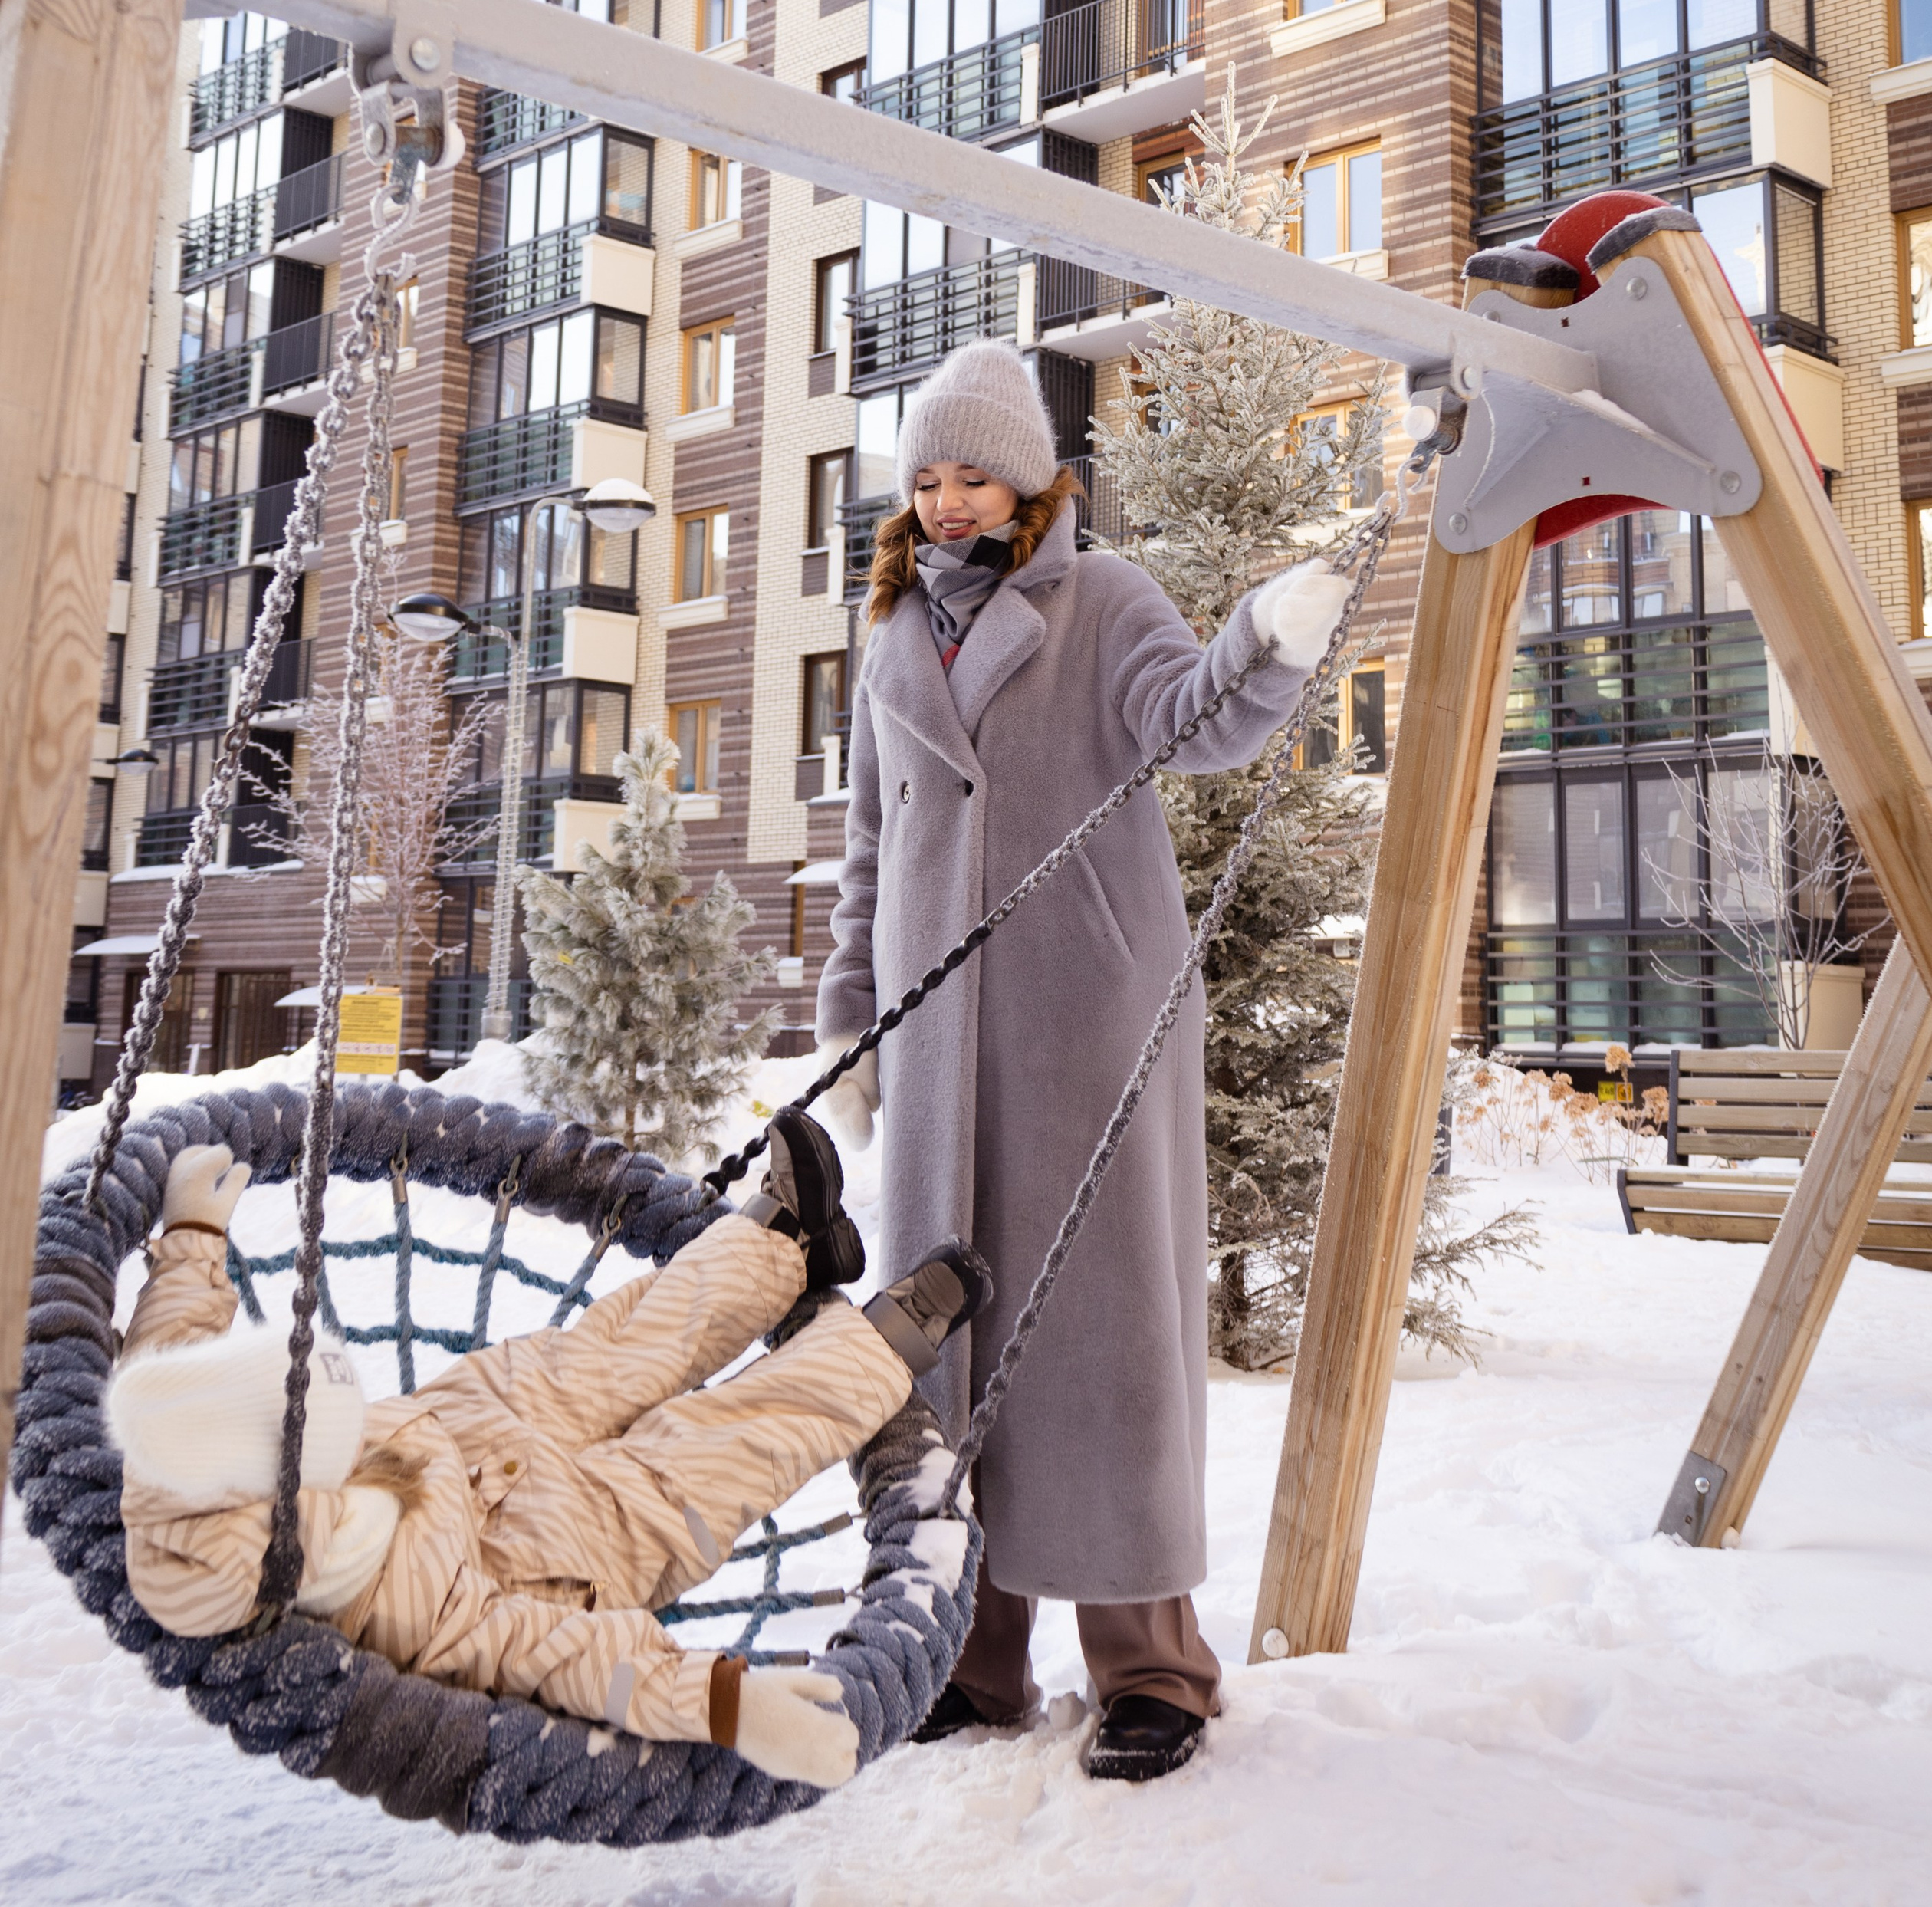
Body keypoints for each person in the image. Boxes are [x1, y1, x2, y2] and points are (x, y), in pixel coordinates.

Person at [814, 340, 1351, 1782]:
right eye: (926, 478)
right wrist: (849, 1018)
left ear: (1033, 480)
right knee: (945, 1346)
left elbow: (1205, 726)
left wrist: (1270, 629)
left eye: (972, 474)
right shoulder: (887, 636)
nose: (945, 502)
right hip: (933, 1039)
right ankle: (969, 1657)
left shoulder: (1101, 599)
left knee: (1099, 1340)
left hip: (1083, 1017)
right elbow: (869, 849)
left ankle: (1148, 1666)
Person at [108, 1110, 989, 1789]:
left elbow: (171, 1371)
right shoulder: (426, 1613)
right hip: (566, 1551)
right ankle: (881, 1345)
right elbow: (567, 1659)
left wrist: (191, 1242)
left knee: (625, 1342)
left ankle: (786, 1240)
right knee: (726, 1444)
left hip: (465, 1424)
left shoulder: (178, 1464)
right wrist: (728, 1703)